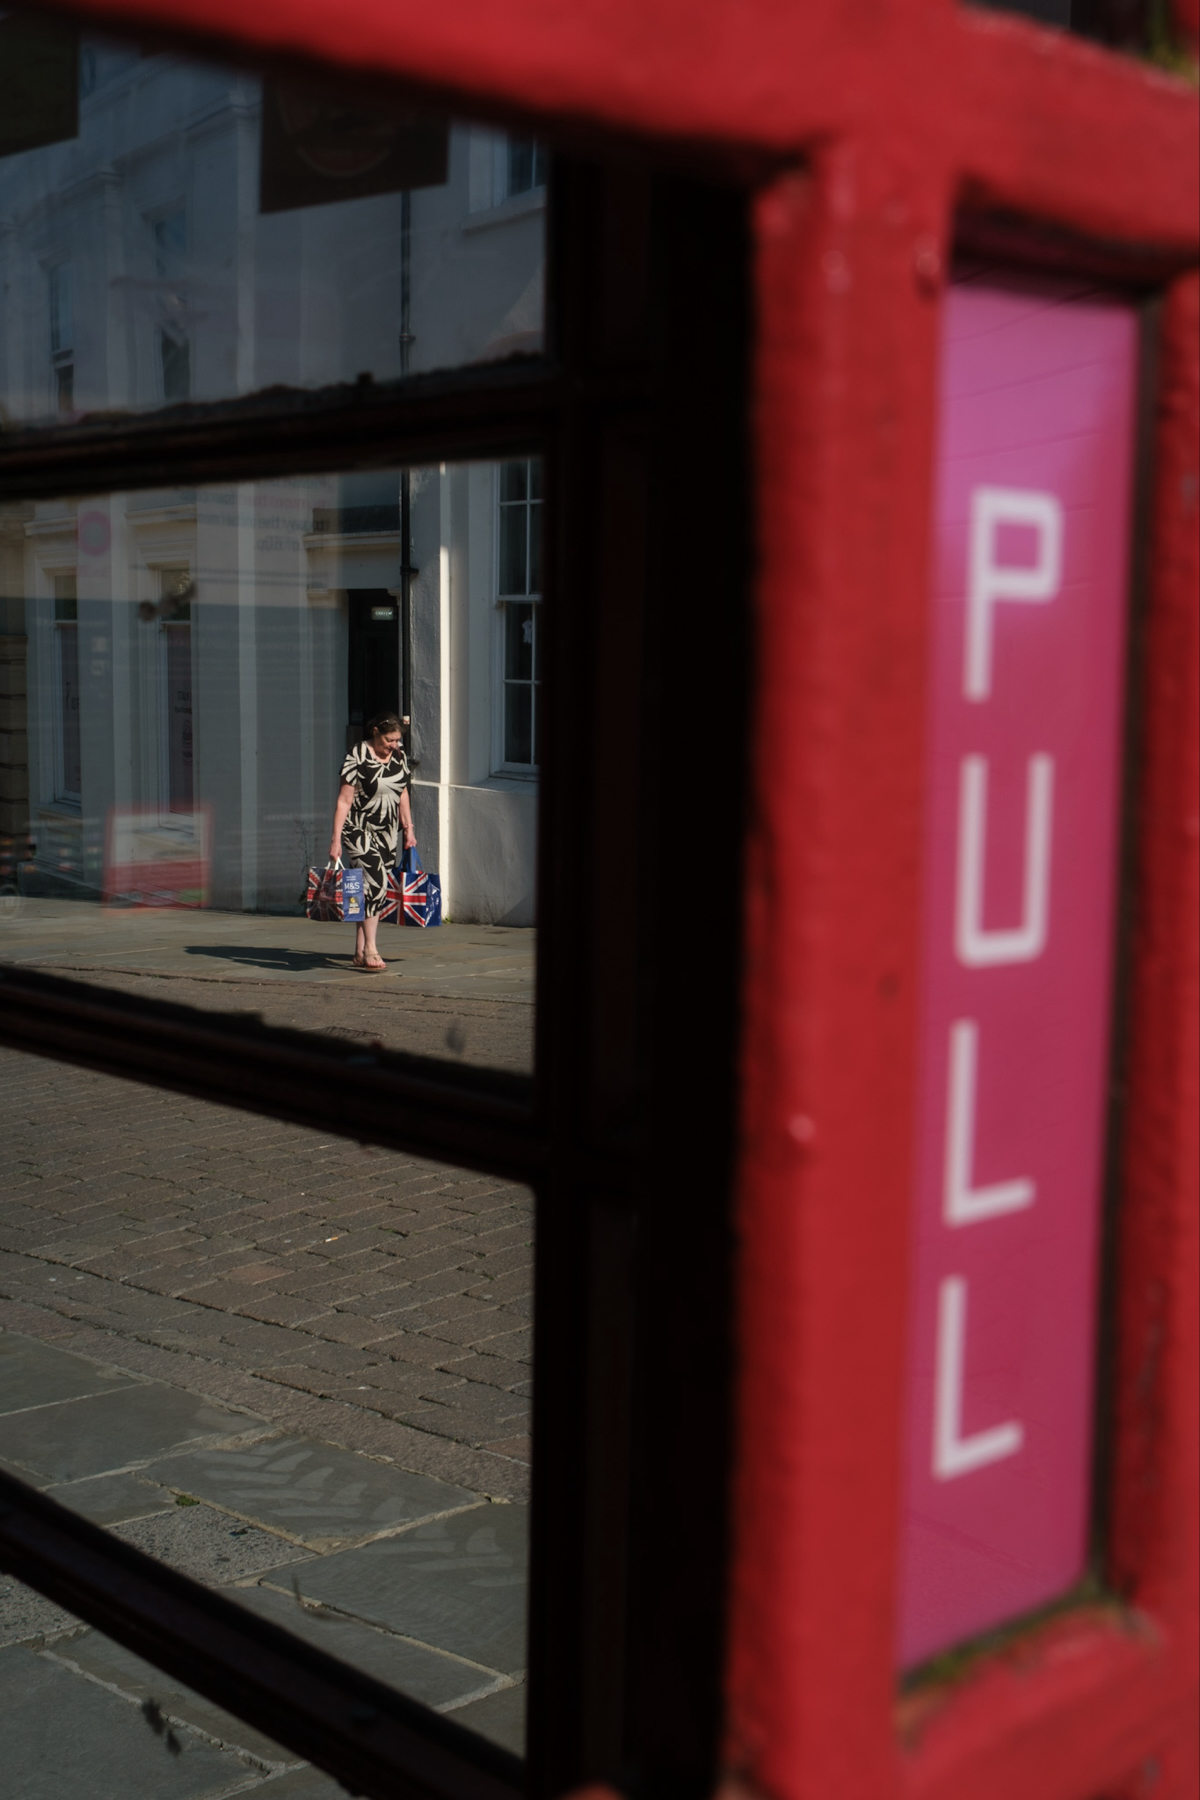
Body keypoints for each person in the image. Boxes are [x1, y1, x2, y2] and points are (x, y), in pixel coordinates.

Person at [328, 711, 416, 972]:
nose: (394, 745)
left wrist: (408, 829)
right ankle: (371, 949)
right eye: (390, 739)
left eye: (398, 740)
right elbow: (344, 801)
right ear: (375, 731)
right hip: (358, 829)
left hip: (387, 832)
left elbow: (402, 793)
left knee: (363, 888)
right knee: (376, 883)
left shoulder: (398, 757)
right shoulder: (357, 756)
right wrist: (335, 840)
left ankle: (357, 949)